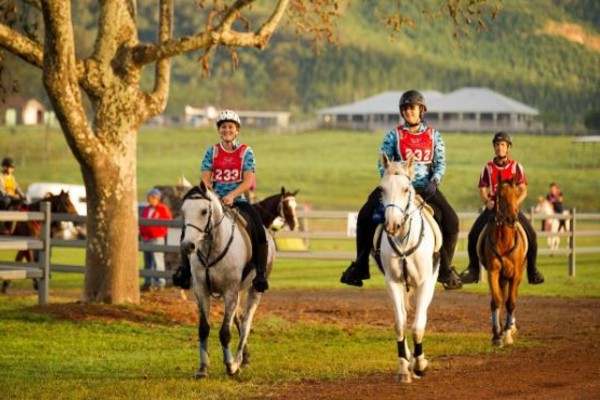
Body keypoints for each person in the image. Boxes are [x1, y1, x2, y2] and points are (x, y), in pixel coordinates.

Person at [340, 90, 463, 290]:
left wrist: (436, 180)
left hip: (425, 188)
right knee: (364, 215)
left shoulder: (434, 136)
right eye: (404, 108)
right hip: (397, 188)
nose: (408, 111)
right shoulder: (393, 135)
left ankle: (445, 270)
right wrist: (391, 178)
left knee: (451, 221)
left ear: (421, 110)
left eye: (411, 107)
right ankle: (360, 266)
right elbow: (382, 162)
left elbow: (440, 163)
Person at [172, 110, 270, 292]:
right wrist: (212, 193)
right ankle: (185, 271)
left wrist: (232, 195)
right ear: (219, 130)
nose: (227, 130)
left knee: (259, 230)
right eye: (223, 127)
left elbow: (248, 181)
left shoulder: (246, 152)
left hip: (238, 200)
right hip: (214, 201)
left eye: (231, 127)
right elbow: (206, 180)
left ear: (237, 130)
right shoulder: (211, 152)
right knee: (189, 228)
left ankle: (261, 275)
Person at [459, 131, 545, 285]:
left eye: (503, 145)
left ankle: (532, 271)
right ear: (494, 147)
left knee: (532, 235)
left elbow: (523, 189)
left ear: (508, 148)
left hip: (511, 209)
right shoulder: (488, 168)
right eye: (497, 145)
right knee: (473, 235)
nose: (500, 147)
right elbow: (483, 189)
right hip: (493, 209)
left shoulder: (516, 167)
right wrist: (487, 201)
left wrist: (516, 203)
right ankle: (473, 270)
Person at [139, 188, 173, 292]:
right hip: (146, 238)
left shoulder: (162, 209)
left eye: (150, 197)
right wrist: (143, 233)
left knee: (157, 260)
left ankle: (160, 283)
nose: (148, 199)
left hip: (156, 238)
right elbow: (142, 221)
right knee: (147, 261)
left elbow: (167, 222)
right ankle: (148, 282)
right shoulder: (146, 209)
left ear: (156, 198)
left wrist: (158, 232)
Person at [0, 157, 26, 235]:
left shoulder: (12, 177)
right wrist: (12, 196)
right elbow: (2, 191)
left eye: (12, 168)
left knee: (24, 202)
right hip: (3, 198)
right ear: (5, 167)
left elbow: (17, 187)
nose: (12, 169)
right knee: (6, 200)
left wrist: (23, 195)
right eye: (11, 167)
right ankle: (2, 223)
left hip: (12, 197)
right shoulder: (0, 177)